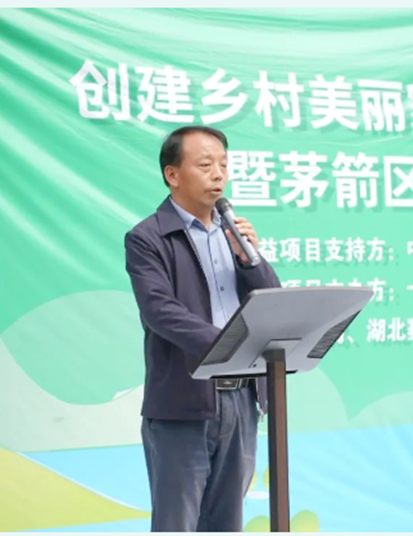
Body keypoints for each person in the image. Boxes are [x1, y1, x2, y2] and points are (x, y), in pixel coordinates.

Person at [124, 125, 281, 532]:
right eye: (206, 164)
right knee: (177, 523)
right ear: (172, 174)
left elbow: (273, 303)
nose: (218, 174)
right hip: (183, 402)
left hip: (242, 399)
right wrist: (232, 346)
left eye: (224, 165)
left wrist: (250, 258)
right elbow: (160, 311)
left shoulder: (233, 233)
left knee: (227, 522)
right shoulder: (148, 238)